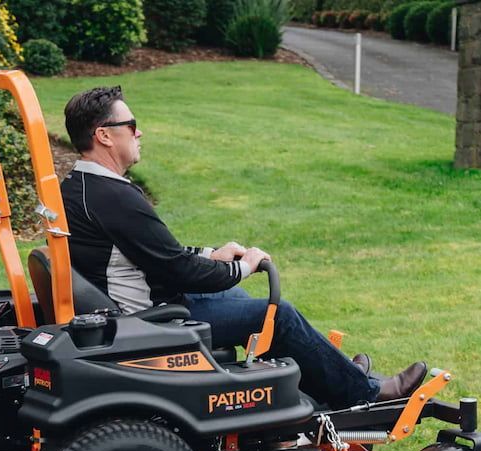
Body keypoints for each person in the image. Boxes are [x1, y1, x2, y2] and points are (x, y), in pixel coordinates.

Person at [58, 85, 427, 410]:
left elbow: (155, 254)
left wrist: (212, 255)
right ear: (105, 136)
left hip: (139, 308)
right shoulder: (115, 197)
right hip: (149, 323)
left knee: (239, 299)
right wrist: (245, 266)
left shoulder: (78, 187)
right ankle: (365, 395)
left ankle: (335, 376)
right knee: (277, 314)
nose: (141, 133)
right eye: (132, 126)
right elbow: (177, 269)